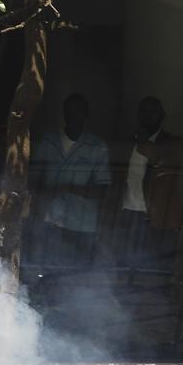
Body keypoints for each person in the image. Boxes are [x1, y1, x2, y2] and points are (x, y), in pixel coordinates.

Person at [31, 94, 111, 267]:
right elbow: (34, 180)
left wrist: (68, 188)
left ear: (86, 114)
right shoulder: (48, 142)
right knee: (47, 266)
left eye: (79, 111)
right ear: (64, 113)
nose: (74, 115)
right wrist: (44, 196)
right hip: (50, 218)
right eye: (70, 111)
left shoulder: (97, 146)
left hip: (82, 223)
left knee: (75, 271)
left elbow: (102, 189)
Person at [118, 96, 183, 268]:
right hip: (128, 213)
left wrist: (141, 140)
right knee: (125, 268)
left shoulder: (173, 142)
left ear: (162, 115)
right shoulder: (127, 142)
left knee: (155, 270)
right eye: (143, 111)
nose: (147, 116)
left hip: (156, 217)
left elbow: (158, 157)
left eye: (152, 111)